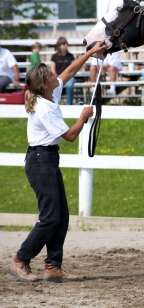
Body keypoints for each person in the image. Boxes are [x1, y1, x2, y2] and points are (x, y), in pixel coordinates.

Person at [8, 41, 106, 283]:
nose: (56, 74)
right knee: (50, 217)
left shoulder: (50, 94)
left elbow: (70, 71)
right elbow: (71, 137)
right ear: (44, 84)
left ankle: (53, 266)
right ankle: (20, 260)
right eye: (52, 74)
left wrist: (91, 53)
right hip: (41, 161)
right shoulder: (45, 108)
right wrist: (83, 117)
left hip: (46, 159)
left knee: (61, 216)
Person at [50, 37, 75, 105]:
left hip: (68, 76)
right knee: (54, 85)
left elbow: (74, 68)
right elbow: (53, 70)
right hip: (58, 76)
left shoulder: (70, 56)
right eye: (64, 44)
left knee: (70, 86)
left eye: (66, 43)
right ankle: (54, 104)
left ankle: (69, 104)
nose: (66, 45)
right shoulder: (54, 56)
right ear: (59, 45)